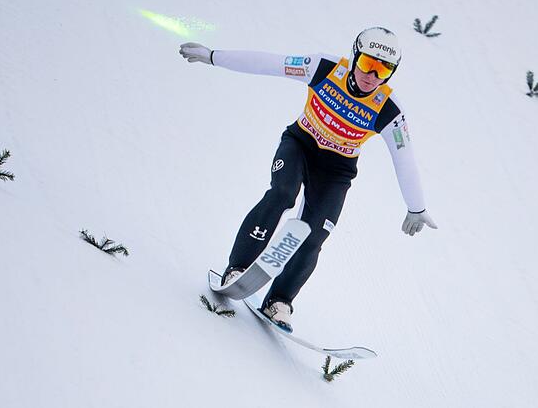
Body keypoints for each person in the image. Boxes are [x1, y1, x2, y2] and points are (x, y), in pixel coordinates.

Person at [179, 27, 437, 332]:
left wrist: (416, 207)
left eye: (383, 70)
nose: (372, 75)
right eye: (368, 64)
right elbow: (268, 64)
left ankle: (280, 301)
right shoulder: (324, 68)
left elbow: (404, 157)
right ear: (355, 57)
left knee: (316, 234)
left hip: (337, 171)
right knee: (282, 194)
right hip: (300, 145)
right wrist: (213, 57)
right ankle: (237, 269)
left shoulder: (389, 110)